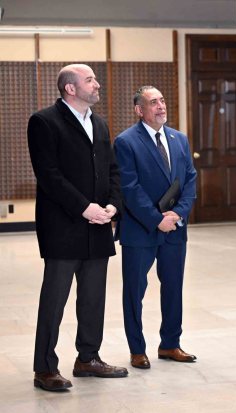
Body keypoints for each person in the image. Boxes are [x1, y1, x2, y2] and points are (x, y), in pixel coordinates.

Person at [27, 64, 128, 392]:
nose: (97, 85)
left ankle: (88, 357)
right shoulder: (43, 122)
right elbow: (49, 175)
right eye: (90, 80)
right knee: (54, 300)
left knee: (93, 298)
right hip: (64, 227)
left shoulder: (99, 123)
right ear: (70, 88)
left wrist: (113, 205)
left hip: (98, 225)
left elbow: (112, 169)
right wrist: (85, 208)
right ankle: (44, 368)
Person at [114, 86, 197, 369]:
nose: (161, 106)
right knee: (134, 291)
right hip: (140, 230)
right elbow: (129, 188)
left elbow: (189, 180)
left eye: (162, 100)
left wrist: (177, 214)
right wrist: (156, 219)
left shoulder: (179, 139)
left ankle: (170, 344)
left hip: (174, 229)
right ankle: (137, 349)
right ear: (139, 110)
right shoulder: (126, 142)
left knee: (173, 287)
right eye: (153, 103)